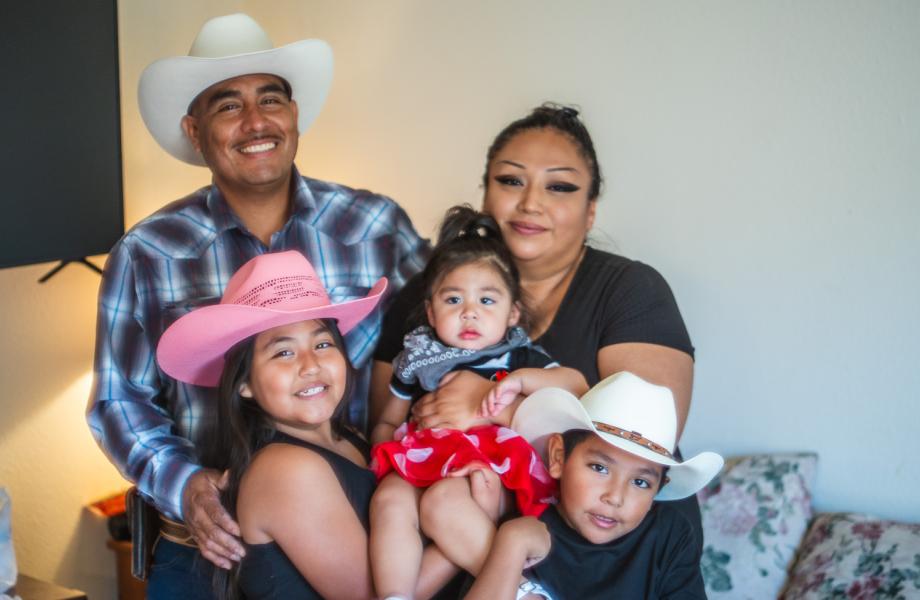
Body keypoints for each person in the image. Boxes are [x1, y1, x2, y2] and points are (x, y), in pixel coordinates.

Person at [86, 13, 428, 599]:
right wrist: (186, 486)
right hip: (204, 553)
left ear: (294, 116)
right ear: (194, 132)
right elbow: (119, 401)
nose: (255, 122)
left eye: (270, 98)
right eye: (227, 106)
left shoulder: (375, 226)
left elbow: (435, 345)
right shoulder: (147, 251)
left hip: (356, 529)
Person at [372, 103, 702, 543]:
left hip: (611, 542)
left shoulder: (632, 290)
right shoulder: (426, 293)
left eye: (560, 187)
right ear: (485, 196)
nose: (530, 203)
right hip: (454, 522)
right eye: (510, 181)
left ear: (590, 211)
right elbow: (385, 420)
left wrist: (490, 404)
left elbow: (638, 448)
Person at [368, 206, 587, 599]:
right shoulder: (416, 359)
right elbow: (388, 420)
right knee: (389, 500)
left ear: (513, 312)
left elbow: (577, 386)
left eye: (487, 301)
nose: (469, 312)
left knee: (446, 501)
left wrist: (520, 381)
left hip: (491, 468)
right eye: (453, 300)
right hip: (422, 460)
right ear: (431, 313)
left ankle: (520, 589)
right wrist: (380, 458)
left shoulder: (518, 356)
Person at [464, 372, 724, 599]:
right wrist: (512, 543)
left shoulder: (669, 534)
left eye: (641, 482)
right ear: (558, 456)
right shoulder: (523, 525)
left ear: (659, 488)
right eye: (599, 468)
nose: (615, 497)